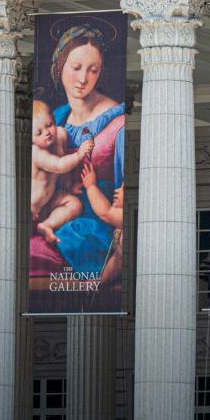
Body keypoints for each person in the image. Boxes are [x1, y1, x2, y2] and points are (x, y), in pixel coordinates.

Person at [29, 23, 125, 288]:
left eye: (92, 70)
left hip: (97, 221)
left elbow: (123, 193)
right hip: (58, 208)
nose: (83, 79)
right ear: (60, 66)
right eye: (76, 68)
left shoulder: (117, 122)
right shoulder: (53, 118)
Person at [30, 99, 93, 244]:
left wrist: (69, 185)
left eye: (49, 125)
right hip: (32, 209)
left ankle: (47, 225)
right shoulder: (36, 153)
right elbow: (59, 165)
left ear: (53, 118)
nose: (46, 133)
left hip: (49, 201)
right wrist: (79, 154)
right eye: (38, 133)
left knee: (75, 204)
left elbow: (62, 169)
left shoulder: (59, 135)